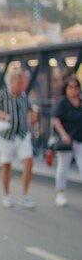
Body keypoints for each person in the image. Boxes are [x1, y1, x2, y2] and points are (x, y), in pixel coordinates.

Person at [0, 68, 38, 208]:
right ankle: (7, 195)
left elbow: (30, 110)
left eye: (22, 83)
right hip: (6, 137)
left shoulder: (24, 96)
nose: (21, 85)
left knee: (29, 162)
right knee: (6, 165)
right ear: (11, 82)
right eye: (18, 83)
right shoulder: (2, 95)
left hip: (22, 135)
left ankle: (25, 195)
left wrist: (33, 117)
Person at [50, 76, 82, 206]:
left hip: (80, 138)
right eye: (71, 87)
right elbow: (55, 119)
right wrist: (63, 135)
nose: (73, 90)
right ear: (66, 89)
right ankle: (60, 192)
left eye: (76, 87)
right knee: (63, 167)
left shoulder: (80, 102)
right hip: (67, 139)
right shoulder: (63, 102)